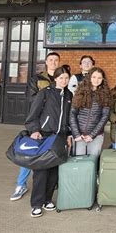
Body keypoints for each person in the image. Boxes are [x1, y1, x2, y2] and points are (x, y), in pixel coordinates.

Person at [10, 52, 60, 201]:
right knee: (30, 153)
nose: (53, 62)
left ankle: (52, 182)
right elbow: (32, 100)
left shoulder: (61, 78)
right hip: (39, 121)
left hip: (55, 123)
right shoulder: (37, 79)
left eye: (56, 60)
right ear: (46, 62)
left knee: (51, 152)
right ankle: (21, 184)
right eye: (51, 60)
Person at [24, 66, 72, 218]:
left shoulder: (69, 95)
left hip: (60, 137)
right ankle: (36, 204)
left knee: (54, 171)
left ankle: (47, 200)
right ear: (55, 78)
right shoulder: (44, 93)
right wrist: (34, 130)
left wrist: (69, 135)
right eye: (61, 78)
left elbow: (69, 118)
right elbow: (33, 115)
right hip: (44, 136)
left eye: (66, 78)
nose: (64, 80)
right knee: (41, 171)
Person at [70, 67, 111, 157]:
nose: (96, 80)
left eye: (99, 78)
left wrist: (92, 135)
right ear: (89, 77)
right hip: (79, 136)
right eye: (94, 77)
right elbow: (72, 114)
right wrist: (77, 134)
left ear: (103, 79)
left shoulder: (105, 95)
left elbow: (105, 117)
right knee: (78, 164)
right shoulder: (80, 92)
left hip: (96, 136)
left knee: (92, 164)